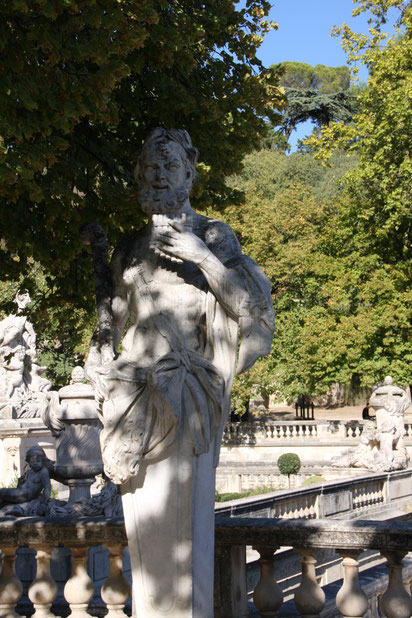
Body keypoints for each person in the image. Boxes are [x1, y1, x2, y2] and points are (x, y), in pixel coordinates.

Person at [85, 128, 275, 616]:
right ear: (137, 176)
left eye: (169, 167)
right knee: (143, 529)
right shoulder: (130, 249)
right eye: (150, 167)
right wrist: (100, 348)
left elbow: (250, 308)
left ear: (189, 172)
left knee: (184, 531)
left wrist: (202, 258)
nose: (158, 176)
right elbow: (112, 321)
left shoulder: (213, 235)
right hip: (134, 400)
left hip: (188, 396)